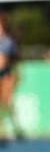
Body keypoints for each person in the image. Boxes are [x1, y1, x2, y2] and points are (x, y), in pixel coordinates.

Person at [0, 14, 21, 143]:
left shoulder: (8, 41)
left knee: (7, 103)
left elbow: (8, 60)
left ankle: (15, 127)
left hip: (6, 74)